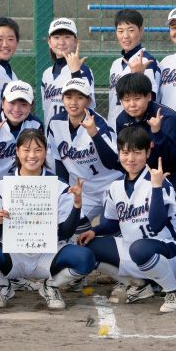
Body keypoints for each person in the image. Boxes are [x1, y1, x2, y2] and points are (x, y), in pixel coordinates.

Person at [0, 129, 95, 310]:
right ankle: (3, 286)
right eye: (26, 150)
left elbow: (66, 233)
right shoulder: (3, 185)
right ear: (18, 152)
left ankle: (50, 286)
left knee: (85, 258)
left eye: (38, 149)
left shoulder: (59, 186)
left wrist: (77, 205)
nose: (32, 155)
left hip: (48, 254)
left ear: (45, 152)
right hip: (13, 253)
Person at [78, 126, 176, 313]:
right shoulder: (115, 187)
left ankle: (174, 291)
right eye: (125, 153)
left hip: (169, 251)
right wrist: (94, 231)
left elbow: (157, 224)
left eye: (137, 153)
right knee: (88, 247)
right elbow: (112, 223)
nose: (130, 159)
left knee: (140, 248)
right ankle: (139, 285)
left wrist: (156, 187)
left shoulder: (160, 182)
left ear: (148, 152)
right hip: (135, 250)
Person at [46, 77, 121, 234]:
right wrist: (65, 193)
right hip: (84, 191)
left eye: (80, 97)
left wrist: (94, 133)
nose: (73, 102)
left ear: (88, 101)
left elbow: (112, 162)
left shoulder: (100, 124)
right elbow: (59, 162)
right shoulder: (55, 123)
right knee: (72, 230)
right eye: (68, 97)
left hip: (109, 186)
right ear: (62, 99)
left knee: (108, 230)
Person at [107, 9, 160, 129]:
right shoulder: (115, 64)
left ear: (141, 31)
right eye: (120, 31)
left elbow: (151, 101)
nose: (125, 36)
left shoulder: (147, 62)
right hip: (114, 126)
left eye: (131, 30)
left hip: (136, 130)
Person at [40, 17, 95, 129]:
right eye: (56, 37)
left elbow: (86, 103)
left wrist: (75, 72)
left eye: (67, 37)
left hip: (78, 132)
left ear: (76, 41)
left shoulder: (83, 70)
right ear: (49, 42)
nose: (61, 42)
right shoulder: (46, 74)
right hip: (52, 134)